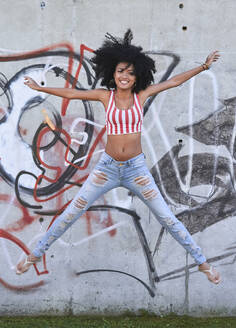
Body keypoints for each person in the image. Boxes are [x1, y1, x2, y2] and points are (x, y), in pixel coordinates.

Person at [16, 29, 221, 284]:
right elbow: (72, 94)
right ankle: (35, 255)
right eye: (120, 71)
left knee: (167, 218)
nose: (125, 76)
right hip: (107, 170)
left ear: (137, 77)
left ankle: (202, 263)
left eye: (130, 72)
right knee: (70, 213)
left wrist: (203, 67)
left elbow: (173, 82)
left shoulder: (141, 96)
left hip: (136, 171)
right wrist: (38, 87)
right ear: (113, 73)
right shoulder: (105, 96)